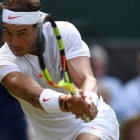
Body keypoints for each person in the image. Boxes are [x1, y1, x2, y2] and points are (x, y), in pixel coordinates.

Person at [0, 0, 119, 140]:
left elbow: (86, 79)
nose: (13, 42)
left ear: (37, 28)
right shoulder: (4, 60)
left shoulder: (64, 32)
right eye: (7, 32)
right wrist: (65, 102)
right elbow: (32, 95)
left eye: (22, 33)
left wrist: (89, 101)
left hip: (92, 125)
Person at [90, 45, 123, 122]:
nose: (98, 70)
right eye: (95, 67)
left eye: (100, 67)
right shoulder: (83, 84)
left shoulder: (115, 84)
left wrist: (107, 102)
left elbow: (122, 108)